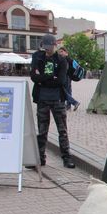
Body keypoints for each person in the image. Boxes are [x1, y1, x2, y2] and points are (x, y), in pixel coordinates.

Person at [30, 33, 75, 168]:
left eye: (50, 47)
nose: (48, 50)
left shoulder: (61, 60)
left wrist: (43, 79)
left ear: (55, 46)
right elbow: (33, 76)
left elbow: (60, 80)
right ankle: (40, 158)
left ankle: (66, 158)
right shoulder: (37, 57)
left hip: (57, 99)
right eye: (46, 47)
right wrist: (49, 77)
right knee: (42, 131)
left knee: (62, 130)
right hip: (42, 99)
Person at [58, 47, 80, 112]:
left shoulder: (66, 59)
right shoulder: (70, 59)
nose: (60, 53)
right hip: (69, 77)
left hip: (66, 77)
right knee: (68, 91)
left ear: (66, 53)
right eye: (60, 52)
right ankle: (68, 106)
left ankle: (74, 102)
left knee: (64, 92)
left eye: (62, 51)